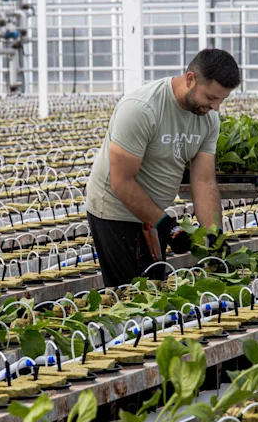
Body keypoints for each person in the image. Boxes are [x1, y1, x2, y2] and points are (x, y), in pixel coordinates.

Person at [85, 48, 241, 287]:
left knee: (155, 290)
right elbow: (122, 182)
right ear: (190, 79)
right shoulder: (141, 109)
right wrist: (167, 225)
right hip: (115, 211)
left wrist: (214, 234)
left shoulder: (208, 119)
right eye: (210, 97)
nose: (216, 107)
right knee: (132, 295)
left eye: (222, 99)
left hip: (153, 213)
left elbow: (204, 181)